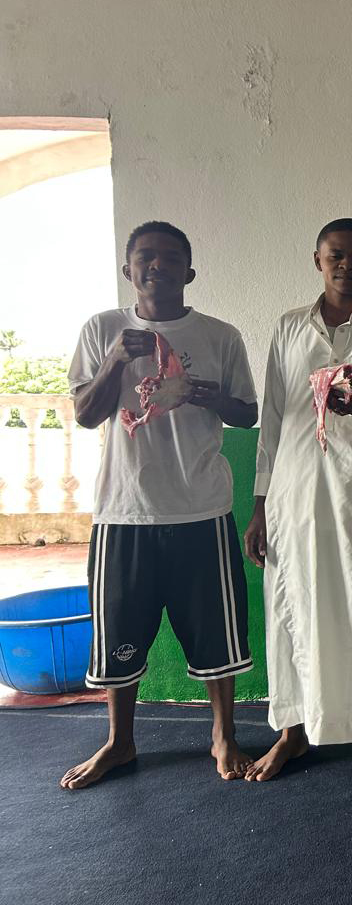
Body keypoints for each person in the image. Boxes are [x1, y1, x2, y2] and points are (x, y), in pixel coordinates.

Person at [61, 221, 258, 789]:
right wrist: (114, 362)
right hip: (124, 512)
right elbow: (85, 414)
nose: (157, 266)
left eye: (171, 258)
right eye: (145, 257)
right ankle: (119, 741)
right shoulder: (102, 329)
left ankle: (223, 735)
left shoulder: (220, 336)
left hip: (202, 509)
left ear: (189, 272)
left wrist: (210, 396)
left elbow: (247, 412)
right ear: (128, 270)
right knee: (119, 633)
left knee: (218, 636)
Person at [243, 218, 352, 785]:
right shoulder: (289, 328)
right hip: (294, 493)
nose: (347, 265)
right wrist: (259, 504)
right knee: (293, 602)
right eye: (336, 255)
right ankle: (293, 729)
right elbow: (273, 421)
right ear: (317, 260)